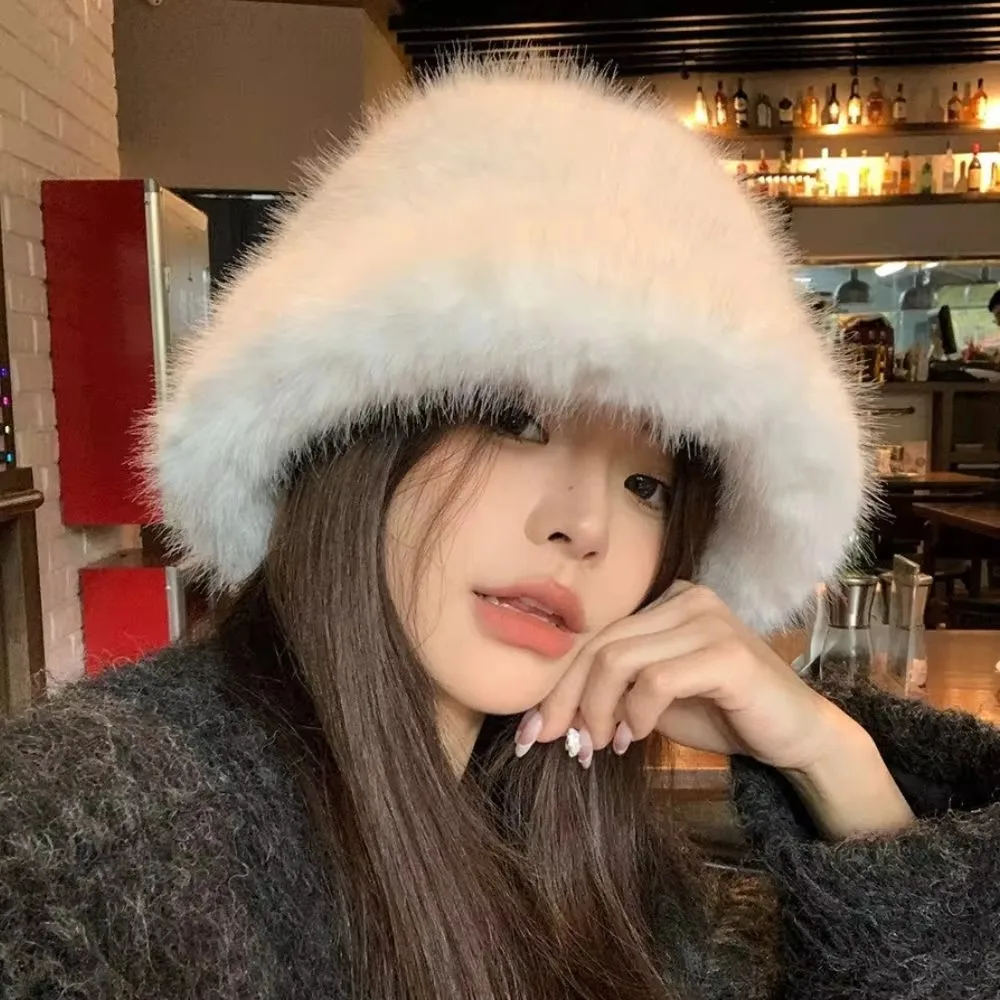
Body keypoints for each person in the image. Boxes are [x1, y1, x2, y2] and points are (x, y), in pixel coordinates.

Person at [3, 56, 1000, 1000]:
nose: (584, 527)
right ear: (354, 432)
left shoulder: (586, 850)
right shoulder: (92, 846)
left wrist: (829, 756)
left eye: (647, 485)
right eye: (515, 422)